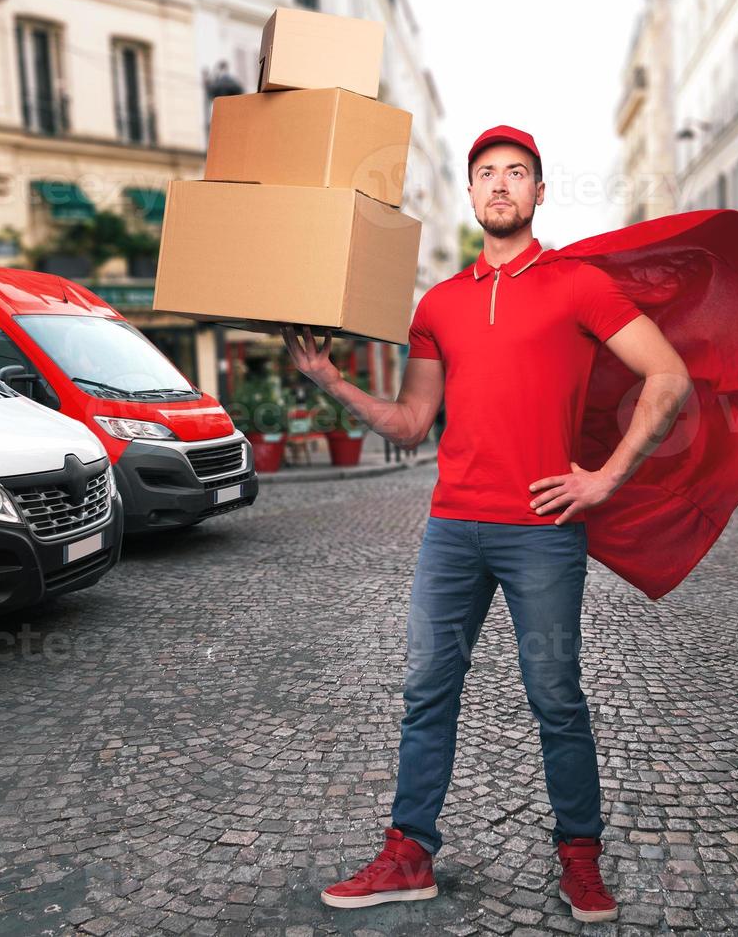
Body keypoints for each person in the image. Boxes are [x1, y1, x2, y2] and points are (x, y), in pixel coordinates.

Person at [281, 125, 693, 924]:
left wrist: (607, 477)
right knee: (428, 690)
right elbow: (409, 423)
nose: (500, 184)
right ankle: (409, 853)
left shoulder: (578, 286)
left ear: (539, 193)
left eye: (517, 173)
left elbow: (668, 374)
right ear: (469, 195)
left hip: (541, 531)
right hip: (451, 532)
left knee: (555, 696)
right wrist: (328, 380)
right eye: (485, 174)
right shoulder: (437, 304)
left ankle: (580, 855)